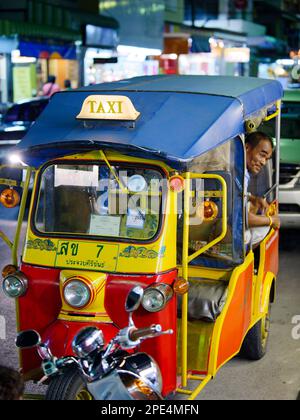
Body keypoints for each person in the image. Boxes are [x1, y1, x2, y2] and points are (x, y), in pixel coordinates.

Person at [245, 131, 280, 247]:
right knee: (263, 227)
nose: (264, 162)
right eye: (262, 155)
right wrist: (271, 220)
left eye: (267, 158)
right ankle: (244, 255)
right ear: (247, 148)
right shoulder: (239, 173)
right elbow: (243, 218)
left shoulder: (243, 172)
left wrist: (253, 198)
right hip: (227, 231)